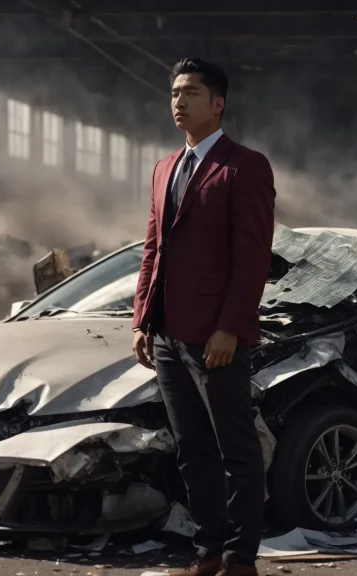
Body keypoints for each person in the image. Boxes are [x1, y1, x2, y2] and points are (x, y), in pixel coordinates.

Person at [131, 58, 276, 576]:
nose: (179, 101)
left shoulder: (245, 166)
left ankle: (241, 559)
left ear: (218, 103)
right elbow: (153, 250)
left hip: (216, 335)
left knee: (235, 449)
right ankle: (207, 554)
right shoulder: (164, 168)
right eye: (174, 92)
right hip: (168, 334)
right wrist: (142, 320)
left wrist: (230, 327)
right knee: (192, 451)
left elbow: (253, 256)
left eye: (191, 92)